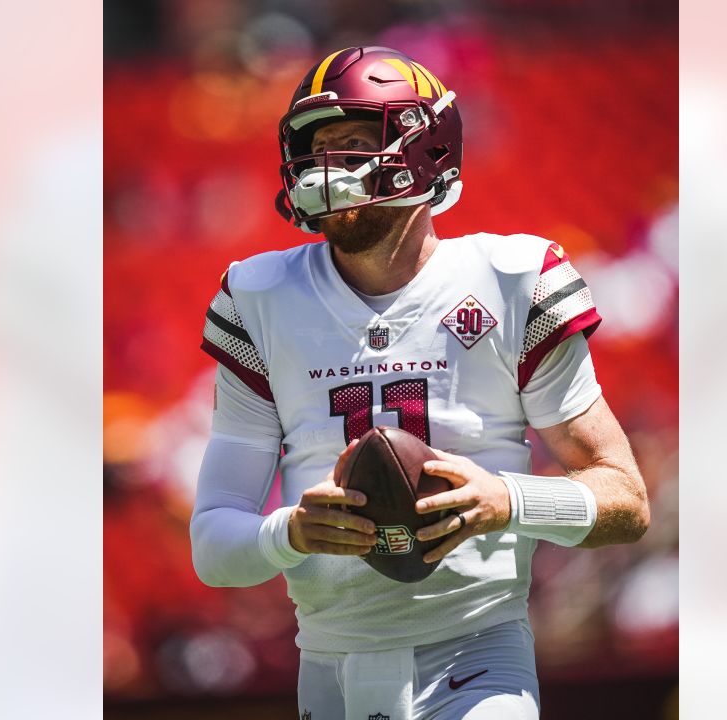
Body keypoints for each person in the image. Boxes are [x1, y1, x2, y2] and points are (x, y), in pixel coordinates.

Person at [191, 46, 649, 720]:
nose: (326, 167)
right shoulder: (260, 298)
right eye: (316, 148)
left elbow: (625, 500)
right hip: (328, 667)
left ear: (425, 148)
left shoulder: (512, 280)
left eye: (351, 143)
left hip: (477, 655)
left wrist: (506, 501)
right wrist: (293, 531)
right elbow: (213, 543)